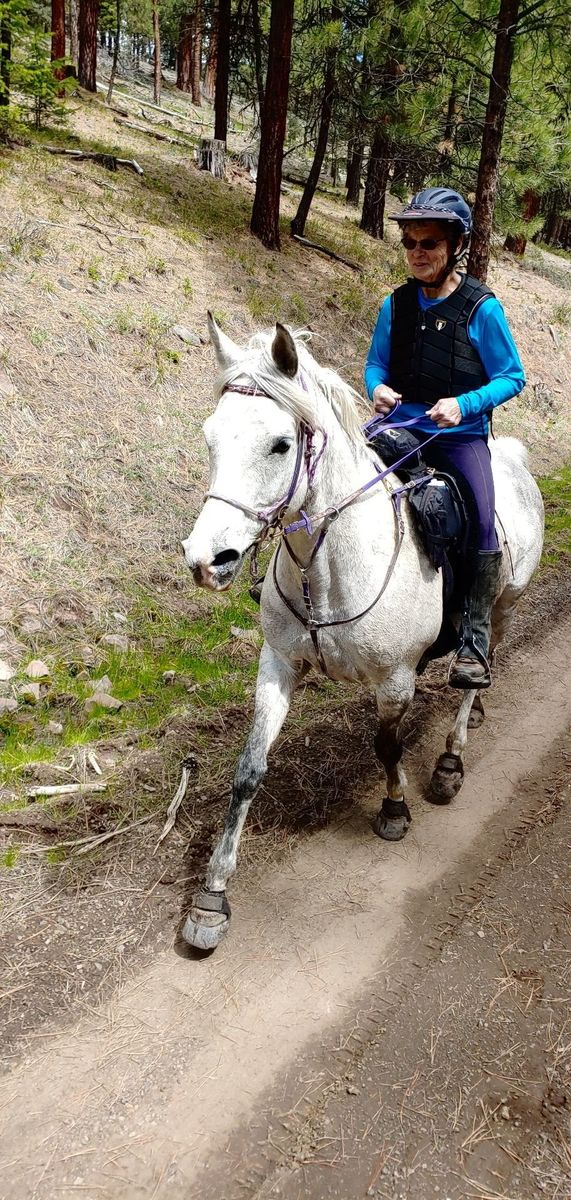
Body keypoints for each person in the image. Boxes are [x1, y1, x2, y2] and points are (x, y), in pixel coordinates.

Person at [365, 186, 526, 688]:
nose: (417, 253)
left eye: (428, 243)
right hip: (401, 428)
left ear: (456, 245)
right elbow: (375, 364)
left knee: (482, 521)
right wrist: (377, 389)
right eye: (409, 243)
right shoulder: (395, 305)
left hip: (459, 437)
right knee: (337, 478)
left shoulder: (482, 309)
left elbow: (512, 376)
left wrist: (463, 404)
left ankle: (474, 640)